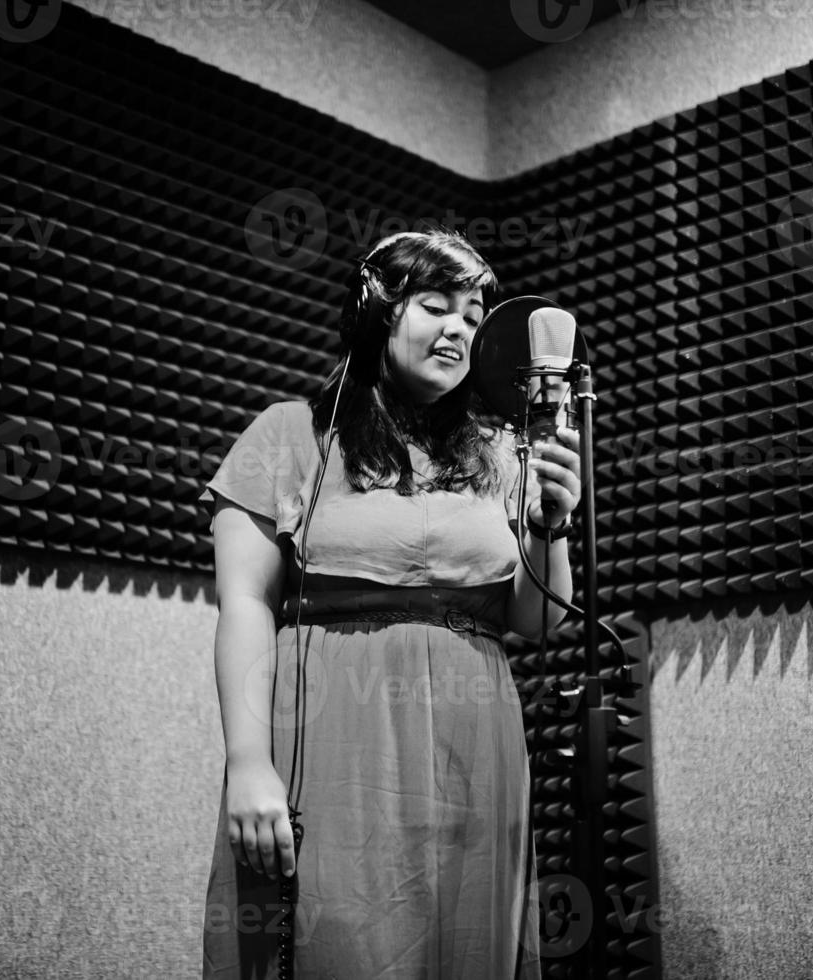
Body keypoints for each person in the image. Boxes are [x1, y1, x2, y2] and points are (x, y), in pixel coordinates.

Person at [199, 229, 582, 978]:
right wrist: (247, 762)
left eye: (472, 317)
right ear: (377, 310)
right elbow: (243, 602)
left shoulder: (505, 453)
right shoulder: (289, 433)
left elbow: (539, 619)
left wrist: (548, 527)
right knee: (335, 938)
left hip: (476, 745)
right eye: (435, 306)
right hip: (333, 737)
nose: (458, 330)